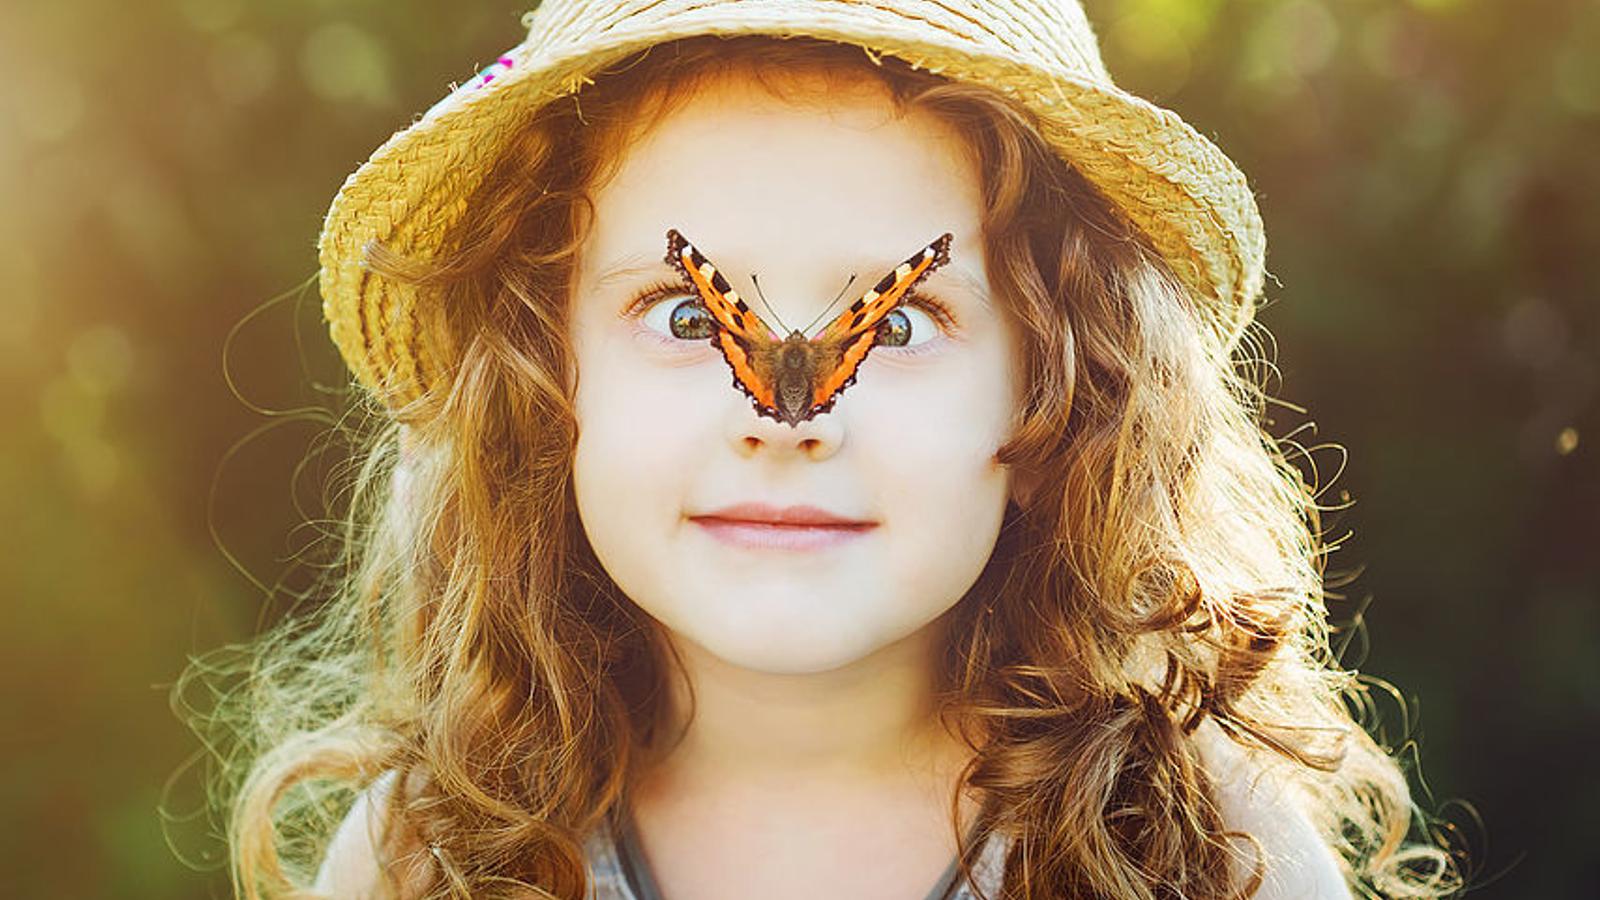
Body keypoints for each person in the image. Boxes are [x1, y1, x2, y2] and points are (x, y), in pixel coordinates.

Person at [200, 2, 1465, 898]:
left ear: (1058, 400)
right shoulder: (433, 861)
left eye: (901, 320)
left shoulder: (1192, 855)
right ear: (545, 390)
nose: (784, 418)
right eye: (691, 316)